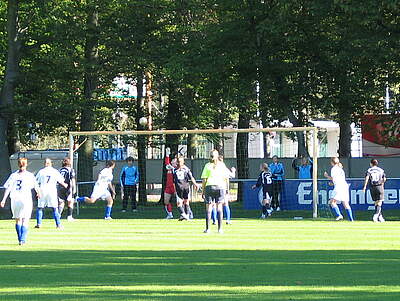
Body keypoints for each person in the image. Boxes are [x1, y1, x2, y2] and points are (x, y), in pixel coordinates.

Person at [0, 158, 40, 245]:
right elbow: (36, 186)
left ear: (18, 165)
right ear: (26, 164)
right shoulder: (29, 175)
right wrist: (38, 193)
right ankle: (23, 239)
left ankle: (19, 239)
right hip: (25, 199)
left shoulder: (13, 175)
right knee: (25, 220)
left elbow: (8, 188)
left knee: (18, 220)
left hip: (15, 199)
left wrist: (3, 200)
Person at [201, 149, 235, 234]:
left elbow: (204, 179)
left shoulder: (207, 165)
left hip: (210, 186)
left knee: (209, 207)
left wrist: (203, 190)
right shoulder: (222, 165)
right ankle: (220, 229)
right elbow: (226, 177)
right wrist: (227, 189)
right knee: (219, 207)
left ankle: (208, 229)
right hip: (220, 187)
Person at [35, 158, 68, 229]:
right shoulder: (54, 171)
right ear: (51, 163)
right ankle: (58, 224)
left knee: (40, 207)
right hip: (51, 191)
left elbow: (36, 182)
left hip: (43, 190)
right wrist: (65, 185)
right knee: (54, 208)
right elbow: (61, 180)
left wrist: (37, 191)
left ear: (45, 164)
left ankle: (39, 224)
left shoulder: (41, 171)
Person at [324, 157, 354, 221]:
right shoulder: (340, 169)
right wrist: (332, 184)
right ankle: (351, 219)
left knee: (332, 202)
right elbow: (338, 179)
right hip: (344, 186)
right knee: (345, 203)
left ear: (332, 162)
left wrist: (327, 176)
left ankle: (339, 215)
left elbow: (333, 179)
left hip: (339, 186)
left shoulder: (334, 169)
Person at [173, 156, 200, 220]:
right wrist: (174, 189)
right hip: (178, 188)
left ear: (183, 162)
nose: (179, 163)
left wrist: (195, 184)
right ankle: (184, 215)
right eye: (178, 161)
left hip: (186, 187)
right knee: (179, 203)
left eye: (180, 161)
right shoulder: (175, 170)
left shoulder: (186, 169)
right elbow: (173, 181)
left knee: (186, 201)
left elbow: (191, 177)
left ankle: (186, 215)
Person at [211, 155, 235, 224]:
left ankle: (215, 220)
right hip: (223, 188)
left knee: (214, 204)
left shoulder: (214, 167)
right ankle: (227, 220)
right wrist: (233, 171)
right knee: (225, 204)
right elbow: (232, 176)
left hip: (215, 187)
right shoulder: (224, 168)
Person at [58, 157, 76, 221]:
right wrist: (74, 188)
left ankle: (58, 216)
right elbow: (72, 179)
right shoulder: (70, 169)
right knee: (70, 201)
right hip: (68, 187)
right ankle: (69, 216)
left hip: (60, 187)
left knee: (61, 202)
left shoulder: (60, 170)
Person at [163, 148, 177, 219]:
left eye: (174, 160)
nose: (173, 161)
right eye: (172, 160)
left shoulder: (177, 169)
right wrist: (167, 154)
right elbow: (167, 163)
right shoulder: (169, 167)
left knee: (181, 201)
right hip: (168, 187)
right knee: (166, 201)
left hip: (175, 187)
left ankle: (188, 213)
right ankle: (170, 214)